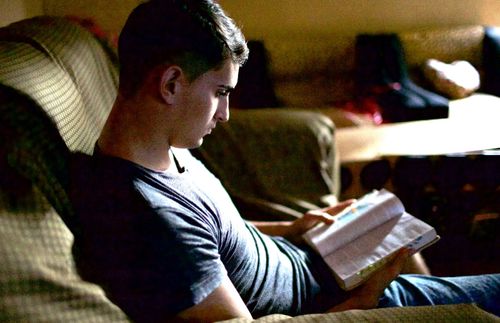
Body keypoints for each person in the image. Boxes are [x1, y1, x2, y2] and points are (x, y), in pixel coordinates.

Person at [69, 0, 500, 322]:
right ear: (171, 83)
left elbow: (212, 237)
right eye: (220, 92)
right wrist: (365, 302)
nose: (226, 114)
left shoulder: (162, 150)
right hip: (337, 302)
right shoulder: (150, 216)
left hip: (310, 259)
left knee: (397, 230)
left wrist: (292, 227)